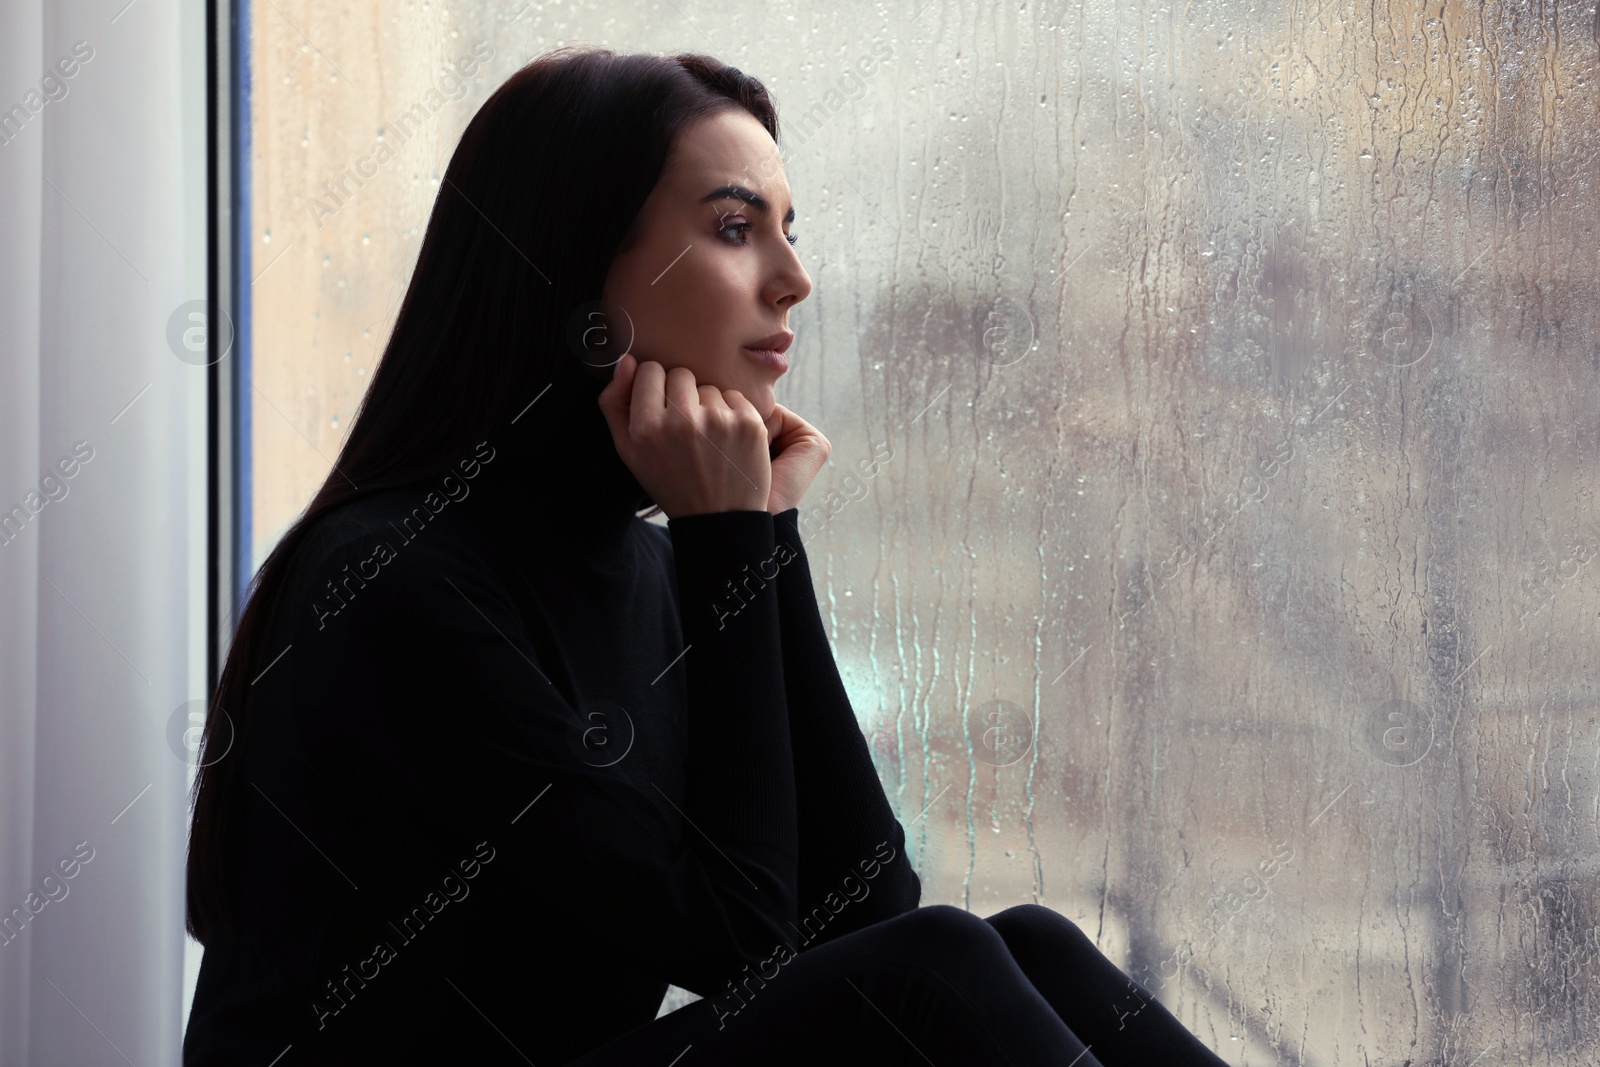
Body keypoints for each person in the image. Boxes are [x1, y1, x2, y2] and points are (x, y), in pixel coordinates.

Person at [182, 46, 1230, 1066]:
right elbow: (743, 945)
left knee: (1029, 938)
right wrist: (730, 541)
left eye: (787, 230)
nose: (794, 280)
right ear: (576, 275)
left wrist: (765, 533)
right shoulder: (391, 582)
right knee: (938, 965)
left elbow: (861, 905)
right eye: (735, 228)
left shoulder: (648, 565)